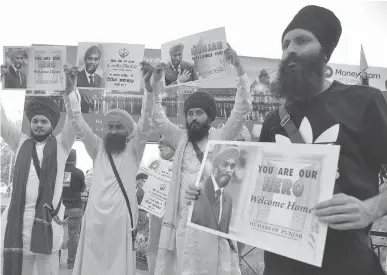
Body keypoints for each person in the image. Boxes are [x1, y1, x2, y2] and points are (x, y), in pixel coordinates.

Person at [189, 5, 387, 275]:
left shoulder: (364, 102)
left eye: (302, 41)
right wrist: (205, 195)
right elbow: (252, 192)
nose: (290, 49)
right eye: (285, 44)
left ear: (325, 53)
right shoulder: (273, 120)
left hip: (348, 263)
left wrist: (370, 209)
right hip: (281, 266)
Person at [145, 43, 252, 275]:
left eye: (198, 113)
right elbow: (157, 119)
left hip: (211, 226)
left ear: (209, 117)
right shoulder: (180, 137)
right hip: (182, 223)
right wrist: (155, 90)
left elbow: (242, 109)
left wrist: (240, 71)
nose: (193, 118)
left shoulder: (221, 137)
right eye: (190, 113)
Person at [64, 64, 154, 275]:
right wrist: (70, 93)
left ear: (126, 131)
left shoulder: (134, 150)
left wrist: (149, 90)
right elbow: (78, 122)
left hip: (121, 220)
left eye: (118, 127)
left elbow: (146, 119)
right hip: (94, 218)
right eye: (110, 127)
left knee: (117, 267)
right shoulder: (97, 147)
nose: (113, 131)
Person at [0, 92, 78, 275]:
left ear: (52, 124)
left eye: (44, 121)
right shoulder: (20, 142)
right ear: (30, 123)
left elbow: (74, 120)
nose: (39, 125)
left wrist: (71, 93)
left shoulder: (62, 145)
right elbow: (2, 124)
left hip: (47, 226)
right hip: (18, 226)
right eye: (35, 121)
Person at [191, 146, 239, 233]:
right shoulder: (197, 190)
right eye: (225, 164)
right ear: (216, 165)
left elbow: (225, 232)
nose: (229, 170)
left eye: (232, 166)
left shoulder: (228, 199)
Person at [147, 135, 176, 275]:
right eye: (159, 144)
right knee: (153, 245)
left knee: (170, 247)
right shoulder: (155, 163)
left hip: (173, 214)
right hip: (154, 212)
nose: (160, 145)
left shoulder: (181, 164)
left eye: (164, 144)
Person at [62, 149, 86, 269]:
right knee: (73, 236)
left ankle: (55, 260)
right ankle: (71, 263)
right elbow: (82, 189)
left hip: (60, 208)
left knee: (58, 233)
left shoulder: (60, 171)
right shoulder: (79, 173)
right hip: (75, 208)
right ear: (75, 160)